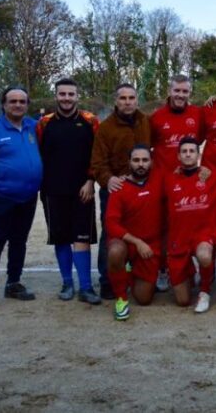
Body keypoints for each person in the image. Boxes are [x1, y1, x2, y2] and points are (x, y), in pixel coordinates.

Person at [0, 86, 42, 313]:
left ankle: (13, 283)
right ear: (3, 104)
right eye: (13, 101)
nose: (18, 105)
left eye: (22, 101)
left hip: (28, 197)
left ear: (27, 104)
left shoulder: (34, 127)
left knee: (19, 241)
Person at [36, 78, 101, 304]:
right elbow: (38, 155)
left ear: (77, 96)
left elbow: (98, 154)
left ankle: (85, 286)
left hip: (82, 190)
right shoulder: (44, 123)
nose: (66, 98)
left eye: (70, 94)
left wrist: (90, 180)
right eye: (62, 94)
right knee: (61, 238)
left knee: (82, 238)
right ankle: (67, 283)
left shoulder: (90, 121)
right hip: (52, 190)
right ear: (56, 95)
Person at [91, 83, 150, 299]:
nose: (127, 102)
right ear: (116, 101)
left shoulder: (145, 121)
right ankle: (107, 281)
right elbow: (97, 162)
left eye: (131, 98)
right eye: (123, 98)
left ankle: (140, 272)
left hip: (143, 187)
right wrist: (109, 180)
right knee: (111, 233)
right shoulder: (105, 128)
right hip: (116, 189)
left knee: (145, 229)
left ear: (137, 100)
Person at [149, 74, 204, 292]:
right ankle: (163, 269)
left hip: (190, 181)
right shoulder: (156, 117)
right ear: (169, 91)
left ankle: (194, 268)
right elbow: (148, 146)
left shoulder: (198, 115)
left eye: (185, 91)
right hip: (164, 182)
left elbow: (200, 140)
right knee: (163, 228)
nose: (180, 95)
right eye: (177, 91)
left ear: (189, 93)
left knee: (193, 224)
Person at [163, 137, 216, 313]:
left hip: (203, 235)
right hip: (178, 239)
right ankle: (188, 271)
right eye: (184, 151)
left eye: (192, 151)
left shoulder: (212, 177)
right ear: (178, 156)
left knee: (204, 255)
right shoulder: (168, 179)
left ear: (198, 155)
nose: (188, 154)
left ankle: (205, 291)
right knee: (182, 301)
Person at [105, 145, 164, 320]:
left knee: (144, 299)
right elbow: (111, 224)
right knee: (115, 251)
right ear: (129, 162)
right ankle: (121, 299)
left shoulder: (159, 180)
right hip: (129, 242)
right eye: (136, 160)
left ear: (151, 162)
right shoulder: (120, 187)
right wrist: (137, 242)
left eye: (145, 160)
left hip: (150, 246)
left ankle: (129, 272)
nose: (141, 164)